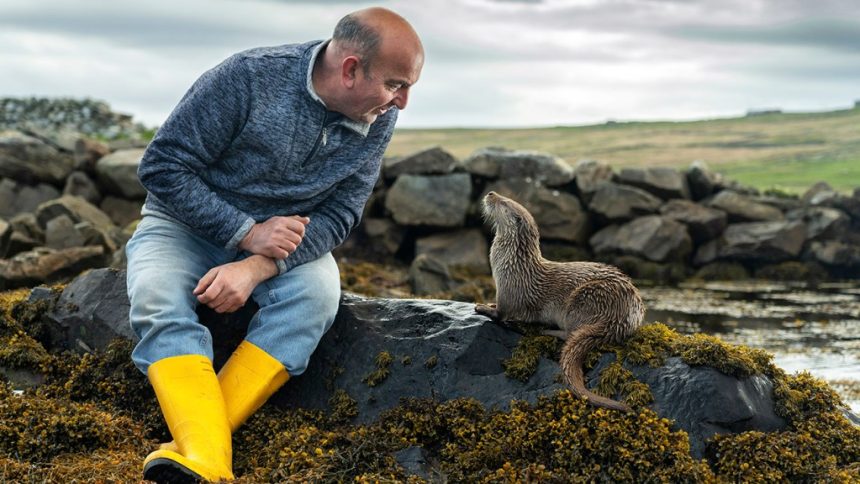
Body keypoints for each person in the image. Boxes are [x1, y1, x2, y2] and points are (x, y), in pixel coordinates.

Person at [124, 7, 423, 482]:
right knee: (157, 297)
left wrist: (256, 264)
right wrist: (244, 231)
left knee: (316, 298)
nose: (402, 102)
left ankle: (202, 450)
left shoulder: (377, 116)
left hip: (282, 245)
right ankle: (211, 458)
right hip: (182, 225)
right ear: (350, 69)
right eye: (395, 84)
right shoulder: (246, 77)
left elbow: (341, 215)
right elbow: (161, 168)